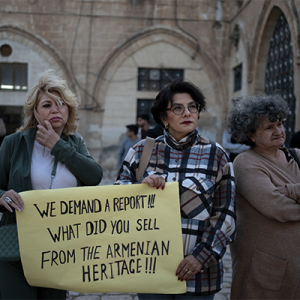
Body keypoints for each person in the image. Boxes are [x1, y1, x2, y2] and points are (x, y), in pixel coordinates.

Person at [116, 78, 236, 299]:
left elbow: (225, 214)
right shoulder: (141, 151)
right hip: (150, 270)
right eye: (178, 108)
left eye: (193, 107)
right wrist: (140, 189)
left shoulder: (216, 154)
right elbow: (118, 199)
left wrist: (201, 256)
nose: (187, 113)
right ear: (164, 118)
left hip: (198, 276)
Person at [0, 69, 103, 300]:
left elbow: (94, 176)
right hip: (17, 247)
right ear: (35, 113)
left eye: (61, 104)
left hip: (59, 249)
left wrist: (59, 146)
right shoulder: (13, 143)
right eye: (47, 105)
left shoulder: (75, 143)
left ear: (69, 110)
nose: (56, 109)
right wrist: (2, 196)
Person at [226, 93, 300, 299]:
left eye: (280, 124)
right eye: (269, 128)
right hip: (265, 269)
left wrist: (292, 190)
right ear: (251, 135)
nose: (278, 131)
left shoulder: (297, 156)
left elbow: (285, 200)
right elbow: (276, 206)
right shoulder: (246, 162)